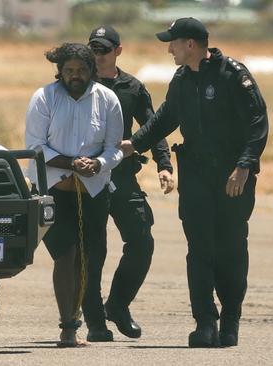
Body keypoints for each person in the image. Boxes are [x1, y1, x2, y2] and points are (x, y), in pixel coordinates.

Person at [120, 17, 269, 348]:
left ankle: (230, 319)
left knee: (230, 248)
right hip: (197, 175)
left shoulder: (233, 75)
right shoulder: (182, 78)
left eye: (172, 42)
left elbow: (258, 122)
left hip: (232, 176)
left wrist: (244, 166)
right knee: (199, 249)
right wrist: (135, 143)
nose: (169, 48)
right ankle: (205, 323)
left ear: (190, 44)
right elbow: (165, 118)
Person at [25, 43, 124, 348]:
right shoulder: (44, 97)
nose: (75, 76)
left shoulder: (107, 99)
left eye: (81, 70)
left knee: (84, 257)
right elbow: (36, 146)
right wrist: (71, 163)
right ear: (60, 71)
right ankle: (67, 326)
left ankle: (75, 320)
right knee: (64, 255)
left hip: (92, 191)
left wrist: (98, 163)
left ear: (91, 70)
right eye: (69, 71)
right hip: (53, 190)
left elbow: (115, 148)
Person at [83, 26, 175, 342]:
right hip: (85, 177)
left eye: (103, 50)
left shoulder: (132, 88)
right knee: (92, 251)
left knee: (141, 241)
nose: (97, 56)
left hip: (122, 176)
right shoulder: (79, 84)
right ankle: (94, 321)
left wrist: (165, 165)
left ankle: (118, 305)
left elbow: (153, 127)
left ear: (118, 51)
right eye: (93, 49)